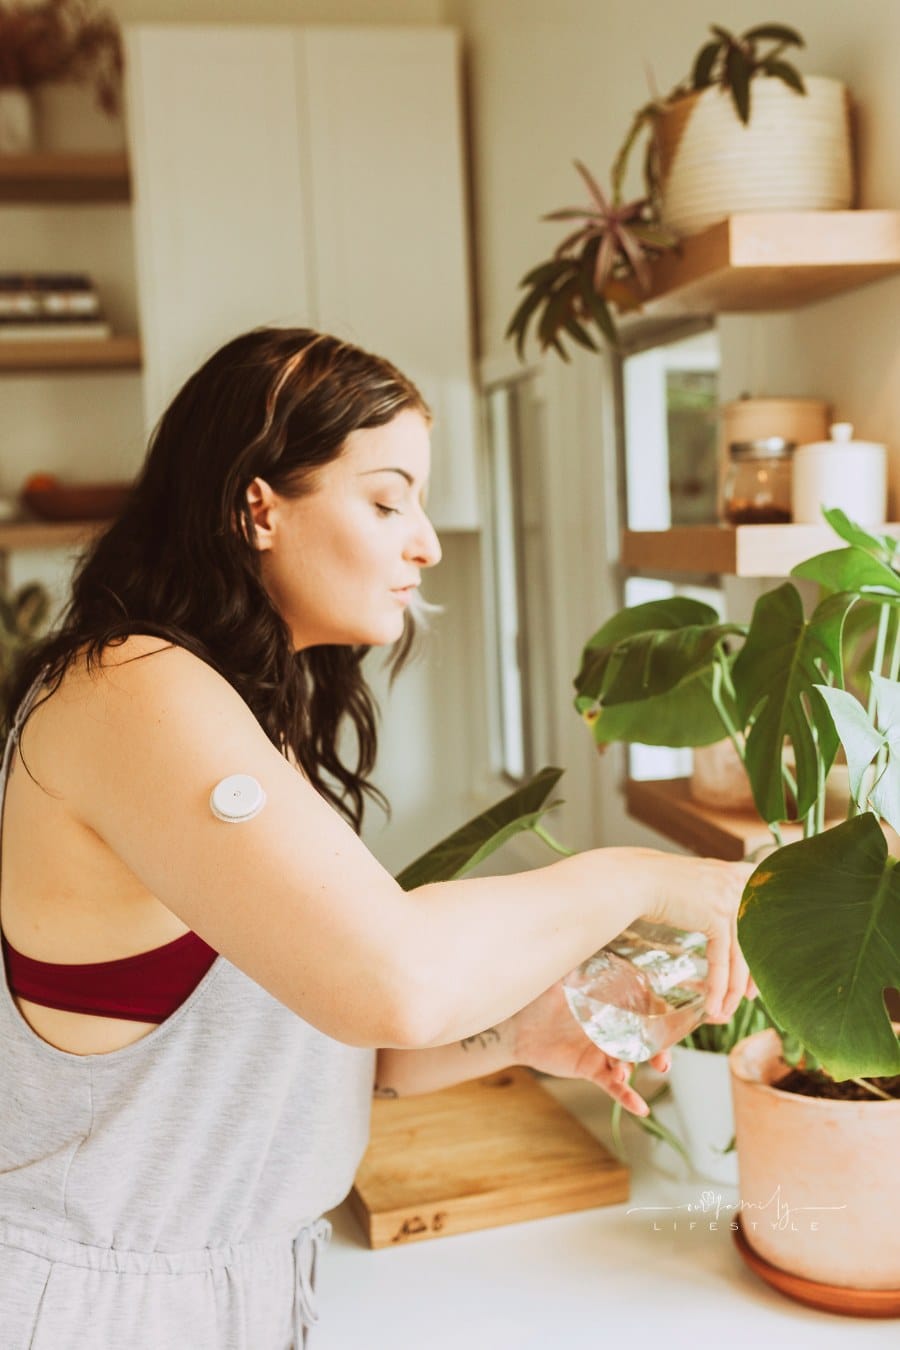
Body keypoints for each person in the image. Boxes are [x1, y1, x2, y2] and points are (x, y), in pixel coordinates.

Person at [0, 327, 753, 1349]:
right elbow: (392, 974)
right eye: (388, 497)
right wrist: (637, 877)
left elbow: (333, 1032)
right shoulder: (130, 689)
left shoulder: (229, 709)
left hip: (225, 1288)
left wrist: (520, 1035)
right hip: (92, 1309)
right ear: (256, 505)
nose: (427, 542)